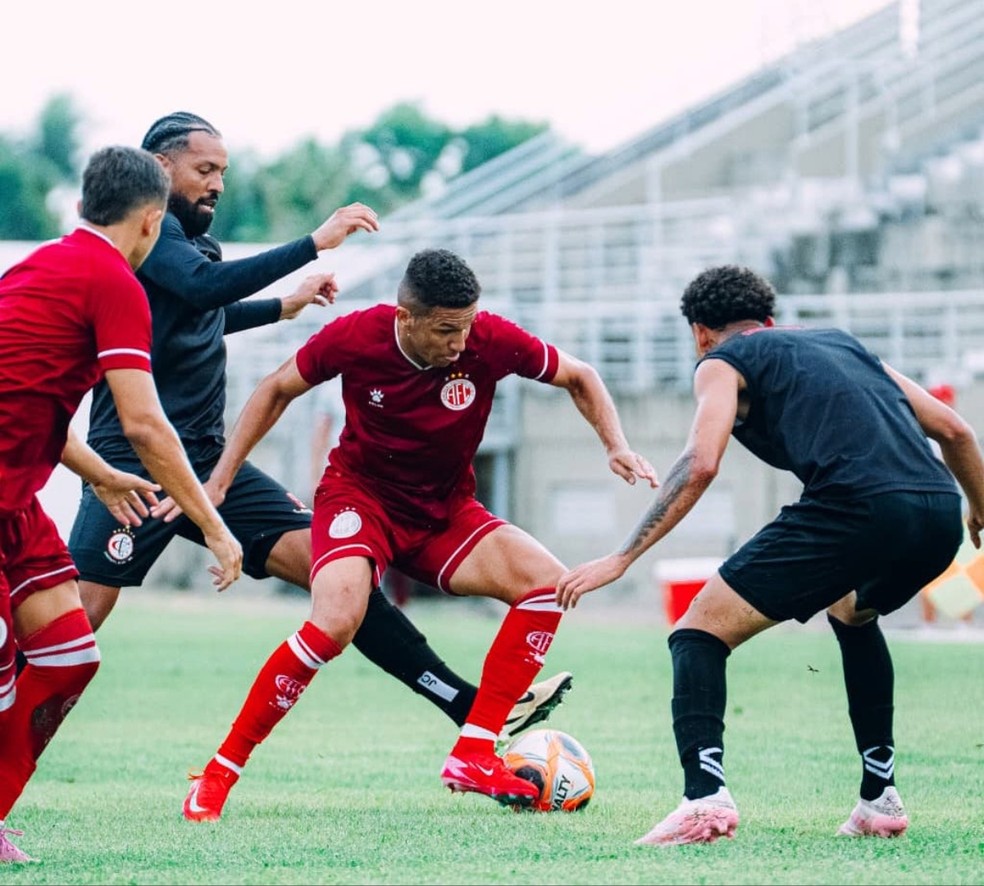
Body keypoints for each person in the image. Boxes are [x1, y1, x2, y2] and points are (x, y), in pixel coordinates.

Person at [64, 112, 573, 752]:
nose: (218, 183)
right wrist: (314, 242)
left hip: (207, 461)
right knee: (78, 626)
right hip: (134, 463)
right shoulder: (152, 237)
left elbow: (200, 315)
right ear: (161, 170)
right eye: (205, 170)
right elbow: (201, 289)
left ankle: (464, 702)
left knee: (340, 578)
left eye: (223, 170)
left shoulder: (192, 247)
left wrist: (285, 305)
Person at [176, 246, 656, 820]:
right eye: (447, 330)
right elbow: (277, 388)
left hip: (445, 512)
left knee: (548, 585)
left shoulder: (489, 339)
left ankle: (474, 752)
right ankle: (219, 772)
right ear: (407, 318)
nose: (460, 343)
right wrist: (223, 478)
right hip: (361, 500)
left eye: (467, 326)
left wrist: (616, 444)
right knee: (334, 623)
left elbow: (581, 375)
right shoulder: (357, 336)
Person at [556, 264, 984, 845]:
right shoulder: (841, 343)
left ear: (700, 333)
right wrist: (979, 509)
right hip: (936, 510)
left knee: (697, 632)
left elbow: (701, 462)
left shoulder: (720, 362)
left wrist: (622, 557)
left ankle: (703, 799)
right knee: (853, 612)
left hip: (854, 506)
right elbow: (955, 431)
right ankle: (878, 798)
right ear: (770, 321)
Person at [0, 146, 243, 863]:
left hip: (13, 506)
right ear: (151, 218)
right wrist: (214, 525)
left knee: (70, 655)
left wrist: (101, 473)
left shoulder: (39, 267)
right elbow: (145, 421)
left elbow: (30, 394)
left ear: (82, 207)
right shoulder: (114, 283)